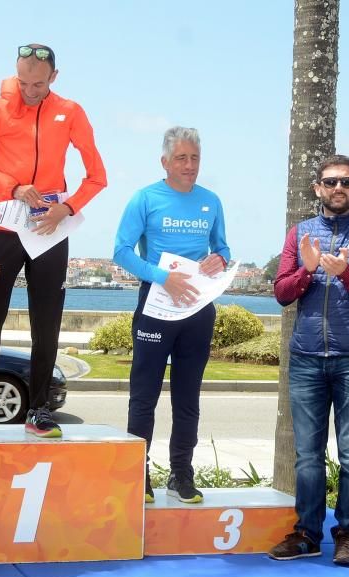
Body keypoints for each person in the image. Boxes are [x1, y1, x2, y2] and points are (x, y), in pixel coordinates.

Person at [0, 43, 106, 438]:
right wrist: (13, 186)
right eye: (23, 82)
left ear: (53, 78)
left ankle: (39, 409)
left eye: (38, 84)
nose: (29, 90)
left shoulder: (70, 112)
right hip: (4, 226)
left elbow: (97, 176)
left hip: (50, 230)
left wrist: (69, 208)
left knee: (47, 321)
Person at [267, 155, 349, 565]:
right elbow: (283, 293)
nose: (337, 188)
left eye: (346, 181)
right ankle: (306, 533)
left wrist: (346, 274)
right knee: (307, 454)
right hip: (306, 358)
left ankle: (347, 533)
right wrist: (307, 271)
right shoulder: (301, 233)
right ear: (317, 188)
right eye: (330, 182)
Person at [112, 127, 230, 505]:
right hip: (156, 305)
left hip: (197, 309)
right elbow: (121, 251)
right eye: (181, 158)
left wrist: (220, 259)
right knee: (143, 394)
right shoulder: (146, 198)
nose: (189, 165)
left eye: (195, 158)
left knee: (187, 397)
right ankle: (138, 473)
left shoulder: (211, 201)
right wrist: (164, 277)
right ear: (164, 162)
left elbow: (223, 247)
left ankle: (181, 473)